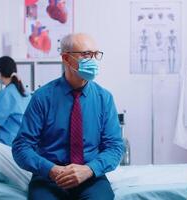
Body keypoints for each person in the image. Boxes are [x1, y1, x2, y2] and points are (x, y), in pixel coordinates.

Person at [12, 33, 124, 200]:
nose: (92, 60)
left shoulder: (104, 99)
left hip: (90, 177)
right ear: (65, 58)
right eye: (86, 55)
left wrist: (89, 170)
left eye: (95, 55)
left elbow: (115, 147)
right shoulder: (42, 98)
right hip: (49, 178)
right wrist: (51, 169)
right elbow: (21, 147)